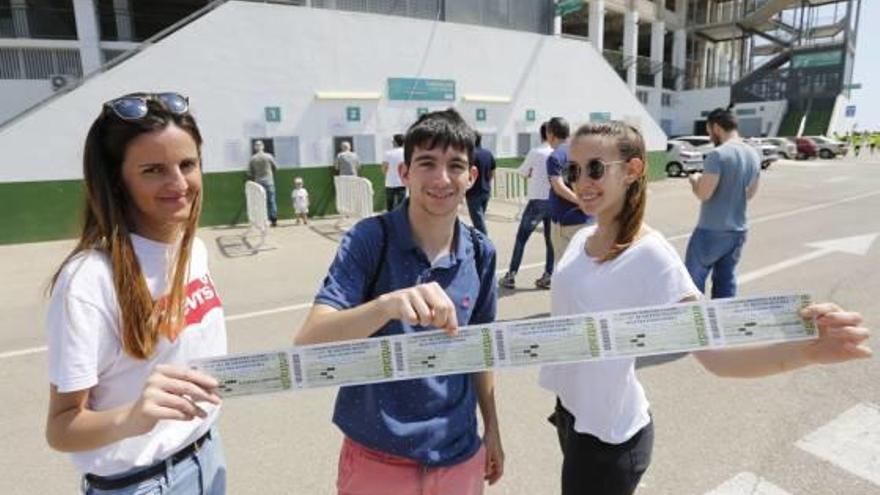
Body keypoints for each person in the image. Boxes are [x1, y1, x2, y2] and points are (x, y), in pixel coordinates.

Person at [539, 121, 872, 495]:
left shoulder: (650, 255)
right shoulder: (583, 237)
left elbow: (717, 356)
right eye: (574, 170)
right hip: (573, 414)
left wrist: (803, 351)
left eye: (595, 168)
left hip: (610, 438)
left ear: (632, 170)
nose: (582, 181)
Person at [295, 109, 504, 495]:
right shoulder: (370, 239)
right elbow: (310, 341)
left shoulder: (480, 252)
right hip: (378, 457)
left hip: (459, 453)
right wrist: (387, 305)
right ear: (403, 173)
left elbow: (481, 348)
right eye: (427, 163)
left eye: (456, 165)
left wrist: (491, 427)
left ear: (471, 177)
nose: (442, 179)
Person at [45, 92, 227, 494]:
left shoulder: (192, 250)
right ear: (117, 180)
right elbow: (60, 427)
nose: (178, 183)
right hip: (140, 483)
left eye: (188, 164)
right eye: (153, 170)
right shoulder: (88, 281)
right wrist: (131, 417)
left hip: (206, 454)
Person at [685, 108, 760, 299]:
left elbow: (704, 193)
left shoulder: (717, 155)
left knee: (692, 286)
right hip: (738, 231)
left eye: (709, 131)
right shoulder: (753, 155)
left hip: (711, 230)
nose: (710, 136)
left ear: (716, 127)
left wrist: (695, 179)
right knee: (725, 283)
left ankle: (697, 327)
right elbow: (750, 194)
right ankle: (725, 325)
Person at [498, 122, 554, 290]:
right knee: (550, 241)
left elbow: (522, 172)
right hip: (554, 201)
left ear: (542, 134)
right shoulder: (558, 152)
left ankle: (511, 275)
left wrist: (531, 173)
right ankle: (548, 276)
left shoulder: (536, 152)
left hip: (537, 201)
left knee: (522, 238)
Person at [546, 117, 593, 262]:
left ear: (551, 134)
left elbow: (558, 187)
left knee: (564, 264)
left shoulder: (555, 157)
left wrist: (580, 201)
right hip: (588, 220)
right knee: (586, 263)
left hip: (567, 222)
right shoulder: (583, 151)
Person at [466, 132, 496, 235]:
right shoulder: (488, 153)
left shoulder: (470, 155)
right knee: (480, 219)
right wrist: (487, 182)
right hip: (485, 191)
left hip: (473, 193)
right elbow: (492, 171)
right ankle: (480, 240)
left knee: (478, 222)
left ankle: (484, 244)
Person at [248, 139, 279, 227]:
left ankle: (262, 220)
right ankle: (273, 220)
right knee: (271, 201)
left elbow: (250, 173)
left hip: (258, 183)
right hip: (269, 181)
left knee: (260, 202)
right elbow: (276, 167)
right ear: (263, 146)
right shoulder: (269, 156)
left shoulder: (253, 159)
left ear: (255, 148)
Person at [382, 133, 406, 211]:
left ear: (395, 142)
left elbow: (384, 168)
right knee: (401, 205)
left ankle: (389, 221)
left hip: (390, 182)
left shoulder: (388, 153)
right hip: (402, 182)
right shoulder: (406, 153)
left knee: (390, 206)